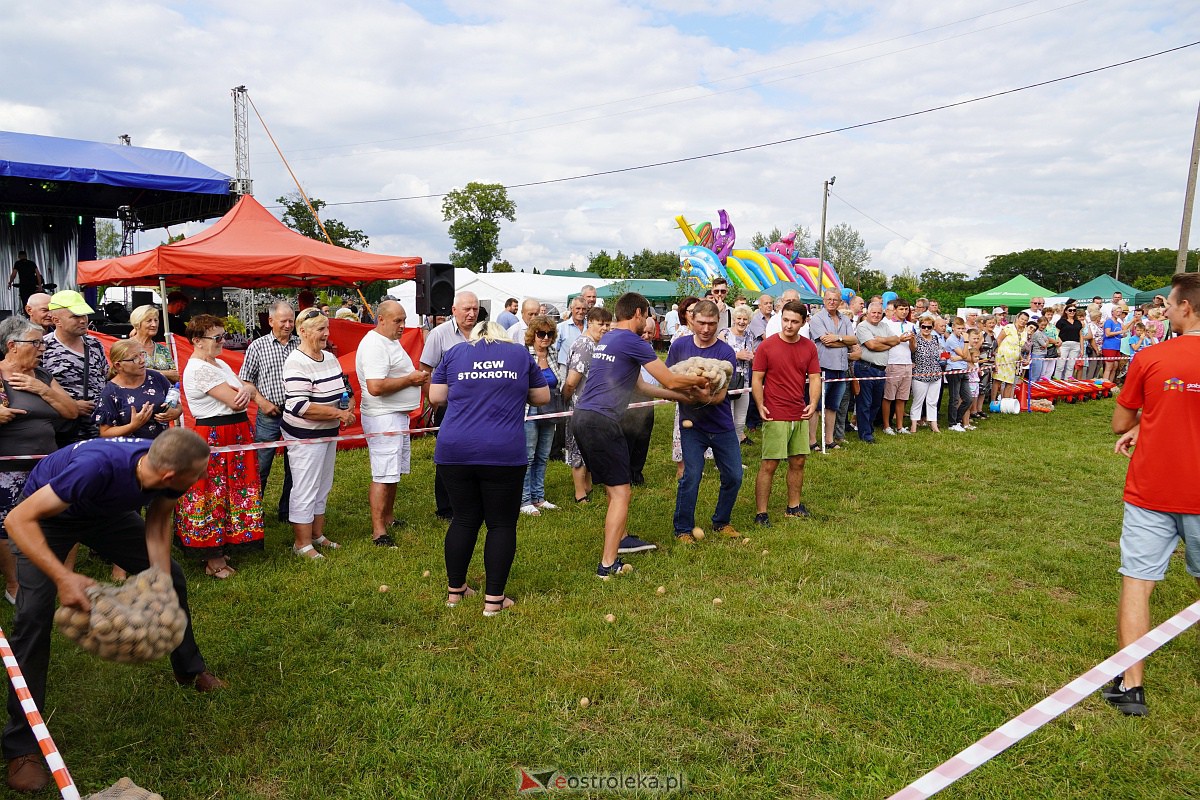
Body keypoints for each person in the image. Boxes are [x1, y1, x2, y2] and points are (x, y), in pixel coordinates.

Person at [2, 430, 224, 793]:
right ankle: (21, 746)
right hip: (45, 519)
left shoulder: (172, 470)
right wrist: (64, 577)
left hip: (105, 515)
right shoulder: (94, 468)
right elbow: (16, 520)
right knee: (32, 619)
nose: (201, 478)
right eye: (198, 475)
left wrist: (159, 580)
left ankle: (190, 669)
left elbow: (157, 520)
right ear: (170, 475)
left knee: (175, 580)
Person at [1104, 273, 1200, 717]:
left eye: (1172, 303)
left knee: (1138, 585)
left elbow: (1120, 424)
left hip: (1152, 490)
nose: (1167, 310)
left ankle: (1131, 686)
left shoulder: (1153, 356)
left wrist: (1145, 422)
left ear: (1186, 308)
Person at [572, 293, 709, 577]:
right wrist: (703, 380)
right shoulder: (632, 341)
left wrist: (680, 397)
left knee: (614, 488)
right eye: (647, 315)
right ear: (638, 312)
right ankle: (607, 565)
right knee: (622, 493)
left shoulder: (609, 338)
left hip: (583, 418)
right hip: (601, 422)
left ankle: (620, 539)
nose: (649, 321)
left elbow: (643, 387)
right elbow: (669, 377)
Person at [430, 321, 550, 616]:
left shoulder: (456, 352)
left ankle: (455, 592)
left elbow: (436, 397)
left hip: (454, 449)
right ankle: (493, 601)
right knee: (501, 523)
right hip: (502, 450)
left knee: (464, 518)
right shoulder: (520, 355)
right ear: (503, 337)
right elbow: (543, 396)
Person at [175, 314, 265, 579]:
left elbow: (244, 390)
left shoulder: (220, 364)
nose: (222, 342)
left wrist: (247, 390)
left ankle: (225, 542)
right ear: (197, 341)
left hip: (235, 432)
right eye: (216, 338)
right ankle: (212, 557)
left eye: (223, 336)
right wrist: (248, 391)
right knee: (213, 493)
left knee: (232, 490)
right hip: (216, 434)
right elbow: (238, 399)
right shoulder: (199, 368)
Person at [0, 318, 77, 607]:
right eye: (36, 343)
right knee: (7, 525)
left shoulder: (41, 376)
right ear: (12, 346)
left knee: (63, 516)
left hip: (48, 463)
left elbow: (70, 411)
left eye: (41, 342)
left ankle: (63, 578)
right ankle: (15, 583)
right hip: (6, 467)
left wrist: (40, 389)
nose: (42, 348)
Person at [282, 307, 355, 559]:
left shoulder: (330, 357)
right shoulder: (296, 362)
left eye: (327, 328)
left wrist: (349, 404)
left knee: (323, 484)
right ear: (302, 332)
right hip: (304, 436)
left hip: (327, 432)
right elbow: (299, 406)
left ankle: (317, 534)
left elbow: (344, 386)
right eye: (321, 329)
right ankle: (301, 544)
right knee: (305, 487)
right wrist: (338, 414)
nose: (327, 333)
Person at [668, 300, 743, 543]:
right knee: (691, 476)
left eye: (712, 323)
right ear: (692, 320)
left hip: (721, 425)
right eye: (701, 322)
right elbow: (669, 381)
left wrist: (699, 395)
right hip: (692, 425)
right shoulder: (679, 347)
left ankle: (721, 521)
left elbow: (721, 395)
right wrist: (687, 394)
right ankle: (683, 528)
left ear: (718, 323)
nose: (706, 328)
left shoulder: (725, 352)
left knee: (734, 476)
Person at [355, 300, 427, 545]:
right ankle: (378, 531)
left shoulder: (389, 341)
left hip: (395, 415)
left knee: (393, 471)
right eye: (397, 321)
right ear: (381, 320)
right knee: (383, 472)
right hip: (382, 416)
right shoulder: (375, 345)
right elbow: (375, 387)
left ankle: (388, 518)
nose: (402, 326)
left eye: (404, 320)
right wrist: (410, 380)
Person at [751, 301, 821, 525]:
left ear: (803, 322)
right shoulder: (767, 346)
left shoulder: (809, 347)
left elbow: (815, 377)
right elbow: (757, 378)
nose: (789, 325)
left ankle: (793, 507)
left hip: (799, 412)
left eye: (794, 321)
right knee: (769, 464)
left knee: (798, 461)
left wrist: (813, 401)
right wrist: (760, 404)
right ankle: (761, 513)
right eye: (786, 320)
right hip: (775, 412)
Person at [420, 291, 480, 520]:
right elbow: (425, 369)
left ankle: (472, 501)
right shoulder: (439, 334)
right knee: (448, 456)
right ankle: (445, 508)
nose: (471, 313)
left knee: (476, 452)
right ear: (454, 310)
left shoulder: (483, 333)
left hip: (478, 407)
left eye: (475, 308)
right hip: (449, 406)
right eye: (467, 309)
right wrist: (433, 403)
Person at [239, 300, 298, 521]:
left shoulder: (301, 344)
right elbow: (246, 380)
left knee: (294, 466)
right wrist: (262, 402)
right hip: (268, 415)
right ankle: (253, 512)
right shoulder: (258, 346)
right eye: (283, 321)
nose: (288, 325)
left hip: (297, 414)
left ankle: (288, 511)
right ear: (271, 321)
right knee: (261, 465)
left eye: (291, 320)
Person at [42, 291, 108, 444]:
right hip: (65, 430)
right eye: (75, 317)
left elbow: (105, 376)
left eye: (84, 315)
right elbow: (36, 389)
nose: (83, 320)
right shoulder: (42, 346)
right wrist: (70, 405)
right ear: (56, 320)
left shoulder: (94, 344)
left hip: (99, 429)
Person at [562, 307, 612, 503]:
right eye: (601, 324)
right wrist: (566, 399)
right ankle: (579, 494)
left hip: (592, 406)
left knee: (588, 447)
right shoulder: (585, 345)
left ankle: (588, 486)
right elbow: (572, 380)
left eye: (608, 324)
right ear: (589, 322)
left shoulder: (595, 344)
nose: (605, 328)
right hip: (580, 405)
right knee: (578, 450)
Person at [520, 317, 565, 516]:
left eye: (549, 334)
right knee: (528, 456)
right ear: (533, 335)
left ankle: (539, 497)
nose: (545, 338)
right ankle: (524, 499)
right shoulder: (523, 354)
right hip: (529, 410)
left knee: (543, 454)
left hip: (550, 408)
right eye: (541, 334)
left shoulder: (553, 353)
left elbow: (559, 380)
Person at [95, 340, 181, 439]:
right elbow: (105, 432)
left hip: (160, 447)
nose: (142, 360)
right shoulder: (111, 392)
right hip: (131, 451)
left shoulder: (156, 377)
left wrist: (176, 412)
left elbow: (176, 404)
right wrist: (132, 426)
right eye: (134, 358)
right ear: (118, 365)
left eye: (142, 354)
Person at [809, 288, 856, 450]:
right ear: (824, 300)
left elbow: (854, 339)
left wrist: (838, 337)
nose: (832, 302)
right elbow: (825, 341)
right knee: (816, 405)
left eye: (835, 300)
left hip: (841, 368)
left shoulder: (845, 319)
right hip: (823, 368)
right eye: (829, 299)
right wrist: (845, 341)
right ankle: (812, 441)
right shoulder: (817, 319)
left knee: (833, 406)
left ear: (840, 302)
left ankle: (829, 440)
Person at [622, 317, 659, 485]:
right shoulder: (630, 347)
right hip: (630, 398)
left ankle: (637, 472)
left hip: (648, 400)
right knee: (628, 437)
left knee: (644, 437)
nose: (645, 335)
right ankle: (625, 474)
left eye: (649, 333)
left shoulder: (650, 349)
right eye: (643, 332)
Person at [853, 300, 896, 444]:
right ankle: (865, 434)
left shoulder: (884, 326)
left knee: (876, 403)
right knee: (865, 403)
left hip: (881, 370)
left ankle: (868, 428)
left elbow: (896, 341)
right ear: (867, 313)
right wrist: (886, 344)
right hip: (866, 368)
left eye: (879, 313)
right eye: (874, 313)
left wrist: (881, 340)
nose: (876, 315)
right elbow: (871, 345)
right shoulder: (862, 326)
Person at [718, 306, 756, 445]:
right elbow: (716, 358)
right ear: (733, 319)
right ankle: (721, 458)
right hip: (727, 382)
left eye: (745, 319)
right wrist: (736, 356)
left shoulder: (749, 335)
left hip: (744, 382)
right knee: (727, 420)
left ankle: (735, 456)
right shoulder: (724, 334)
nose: (741, 322)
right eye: (739, 318)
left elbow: (751, 353)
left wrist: (752, 357)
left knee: (740, 422)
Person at [881, 298, 915, 436]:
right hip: (892, 362)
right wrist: (899, 339)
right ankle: (886, 425)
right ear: (894, 310)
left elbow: (913, 349)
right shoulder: (886, 324)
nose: (904, 311)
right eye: (901, 309)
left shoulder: (911, 325)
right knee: (888, 397)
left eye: (906, 309)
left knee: (902, 397)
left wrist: (912, 341)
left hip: (907, 363)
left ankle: (900, 426)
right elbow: (883, 343)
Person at [127, 305, 180, 383]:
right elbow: (130, 373)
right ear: (137, 324)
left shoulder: (162, 349)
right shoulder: (127, 347)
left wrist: (147, 371)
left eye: (156, 320)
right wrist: (165, 373)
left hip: (163, 394)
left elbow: (176, 376)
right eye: (149, 321)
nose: (154, 324)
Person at [909, 316, 943, 433]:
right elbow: (912, 350)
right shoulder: (915, 338)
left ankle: (933, 424)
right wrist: (912, 341)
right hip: (920, 374)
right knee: (918, 400)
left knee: (933, 401)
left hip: (935, 374)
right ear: (920, 326)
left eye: (929, 327)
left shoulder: (935, 338)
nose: (927, 329)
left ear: (933, 327)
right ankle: (914, 424)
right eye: (924, 326)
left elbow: (938, 353)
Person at [944, 317, 974, 432]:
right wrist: (966, 342)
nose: (961, 330)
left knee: (968, 399)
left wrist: (960, 357)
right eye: (958, 328)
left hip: (963, 369)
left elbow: (969, 356)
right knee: (954, 398)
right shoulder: (952, 340)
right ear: (953, 328)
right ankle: (952, 423)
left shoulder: (962, 338)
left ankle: (957, 419)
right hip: (953, 370)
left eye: (963, 328)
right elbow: (965, 355)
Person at [993, 311, 1029, 400]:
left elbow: (1020, 347)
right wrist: (994, 354)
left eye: (1025, 320)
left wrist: (1022, 358)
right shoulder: (1009, 327)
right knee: (998, 380)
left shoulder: (1025, 331)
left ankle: (1005, 402)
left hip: (1014, 360)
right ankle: (993, 401)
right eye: (1022, 319)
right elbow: (998, 340)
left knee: (1010, 382)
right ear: (1017, 318)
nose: (1023, 321)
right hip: (1002, 357)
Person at [1054, 305, 1084, 379]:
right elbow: (1056, 333)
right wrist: (1058, 341)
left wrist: (1082, 349)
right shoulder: (1061, 321)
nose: (1072, 312)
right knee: (1060, 365)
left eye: (1074, 310)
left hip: (1075, 345)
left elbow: (1081, 336)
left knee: (1070, 366)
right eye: (1070, 310)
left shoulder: (1078, 322)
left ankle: (1067, 382)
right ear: (1066, 311)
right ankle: (1057, 381)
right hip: (1064, 344)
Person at [555, 297, 587, 367]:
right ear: (571, 309)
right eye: (578, 308)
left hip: (586, 369)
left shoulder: (590, 327)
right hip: (566, 367)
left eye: (584, 309)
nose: (581, 311)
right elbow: (554, 350)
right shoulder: (561, 327)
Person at [1102, 306, 1126, 384]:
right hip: (1109, 346)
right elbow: (1108, 333)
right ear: (1112, 312)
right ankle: (1105, 384)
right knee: (1109, 366)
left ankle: (1110, 384)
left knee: (1115, 366)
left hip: (1117, 347)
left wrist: (1122, 335)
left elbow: (1119, 334)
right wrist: (1120, 332)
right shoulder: (1109, 321)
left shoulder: (1119, 323)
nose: (1119, 313)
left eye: (1120, 312)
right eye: (1117, 311)